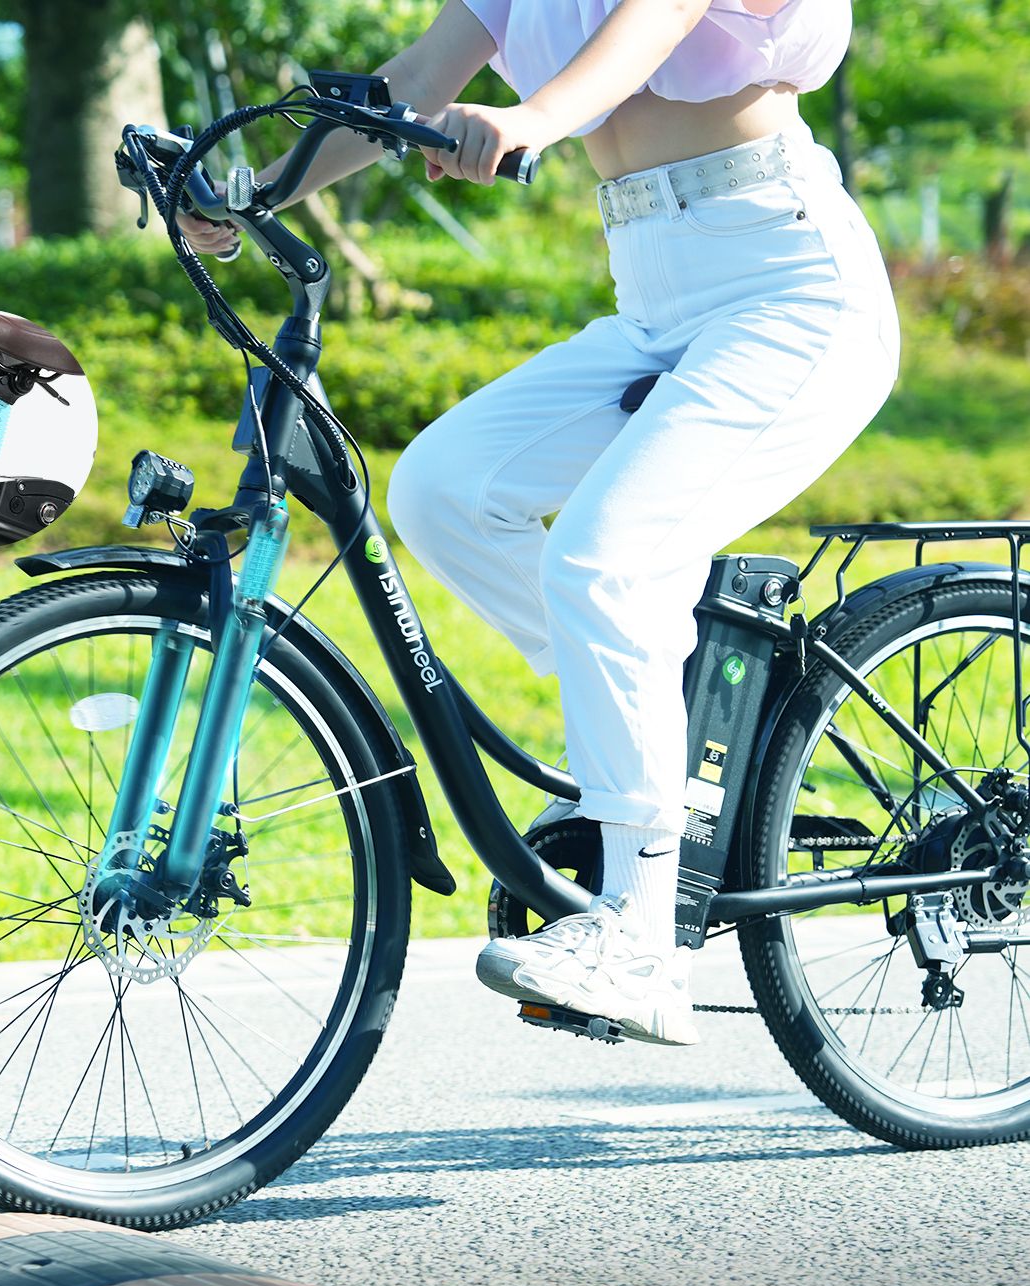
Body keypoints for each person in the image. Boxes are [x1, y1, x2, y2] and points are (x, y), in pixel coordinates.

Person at [178, 0, 899, 1048]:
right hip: (657, 294)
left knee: (604, 563)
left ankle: (644, 940)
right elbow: (412, 81)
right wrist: (254, 193)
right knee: (444, 491)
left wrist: (533, 119)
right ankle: (645, 743)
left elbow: (649, 27)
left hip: (789, 287)